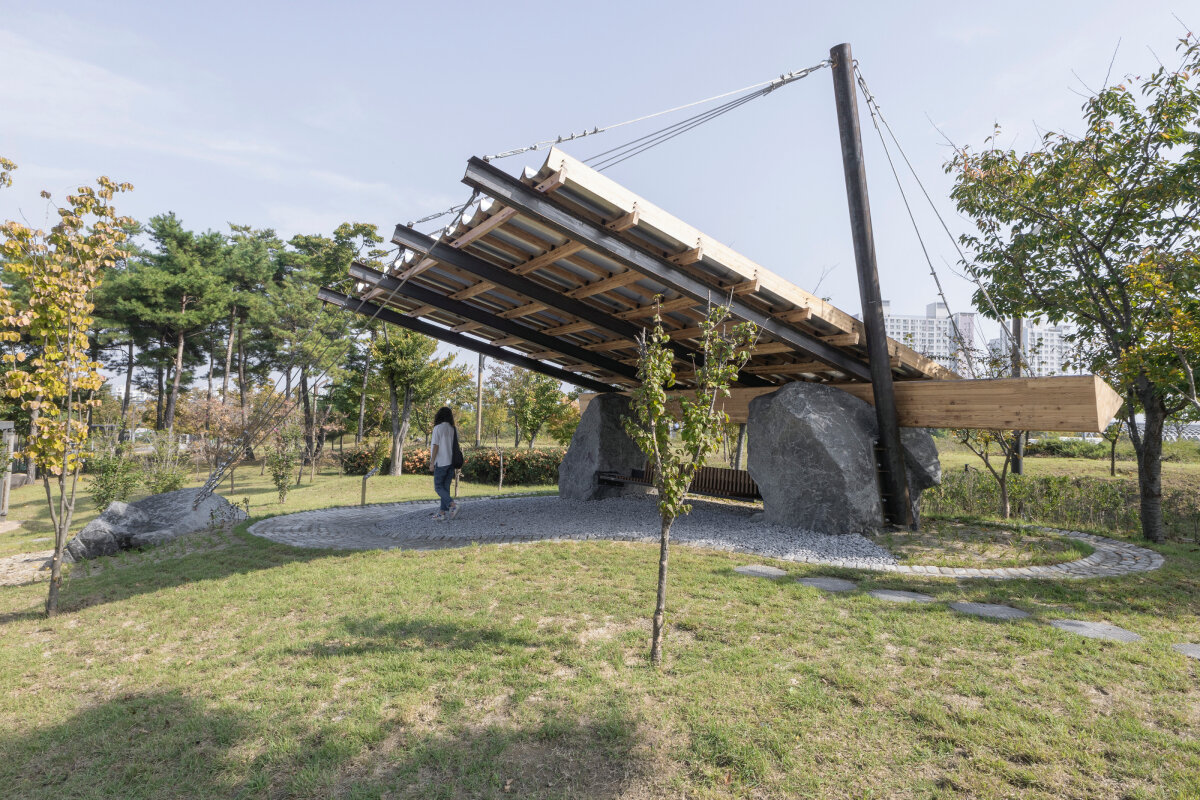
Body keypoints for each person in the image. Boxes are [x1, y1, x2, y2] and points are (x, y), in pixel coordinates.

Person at [429, 406, 459, 521]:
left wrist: (432, 462)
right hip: (451, 462)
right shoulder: (452, 429)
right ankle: (441, 513)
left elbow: (436, 446)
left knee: (438, 488)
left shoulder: (438, 428)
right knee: (445, 489)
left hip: (441, 462)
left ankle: (453, 505)